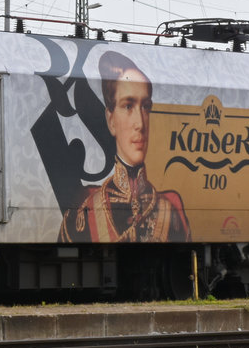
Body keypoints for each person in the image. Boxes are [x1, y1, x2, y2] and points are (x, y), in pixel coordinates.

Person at [58, 50, 190, 243]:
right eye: (128, 106)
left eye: (145, 107)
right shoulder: (82, 215)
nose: (140, 123)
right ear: (110, 119)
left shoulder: (171, 211)